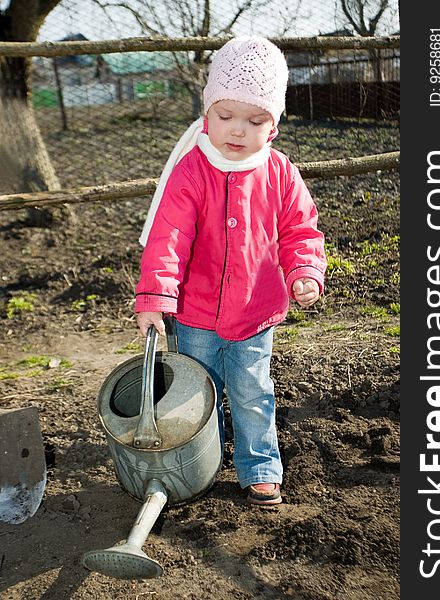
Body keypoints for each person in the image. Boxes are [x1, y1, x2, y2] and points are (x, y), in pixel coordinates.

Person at [135, 36, 327, 506]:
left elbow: (301, 230)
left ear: (274, 125)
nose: (238, 130)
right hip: (196, 315)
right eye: (225, 116)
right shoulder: (191, 172)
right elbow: (168, 239)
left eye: (255, 120)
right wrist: (156, 297)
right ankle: (200, 463)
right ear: (207, 113)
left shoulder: (280, 173)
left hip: (255, 313)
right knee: (196, 394)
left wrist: (303, 269)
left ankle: (259, 465)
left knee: (252, 392)